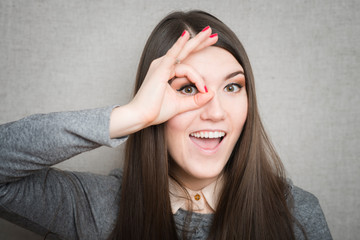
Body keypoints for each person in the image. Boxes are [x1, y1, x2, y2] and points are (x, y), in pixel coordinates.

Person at [0, 10, 332, 240]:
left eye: (232, 87)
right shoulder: (97, 207)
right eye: (188, 88)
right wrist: (132, 116)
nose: (215, 112)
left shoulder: (298, 212)